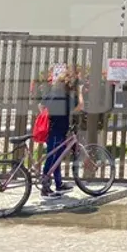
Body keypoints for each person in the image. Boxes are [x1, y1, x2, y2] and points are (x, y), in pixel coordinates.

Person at [39, 68, 84, 198]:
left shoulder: (51, 94)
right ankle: (45, 188)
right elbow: (80, 106)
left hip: (53, 130)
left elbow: (41, 106)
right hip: (56, 131)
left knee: (57, 157)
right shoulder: (65, 98)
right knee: (52, 158)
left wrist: (48, 115)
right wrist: (80, 92)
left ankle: (59, 184)